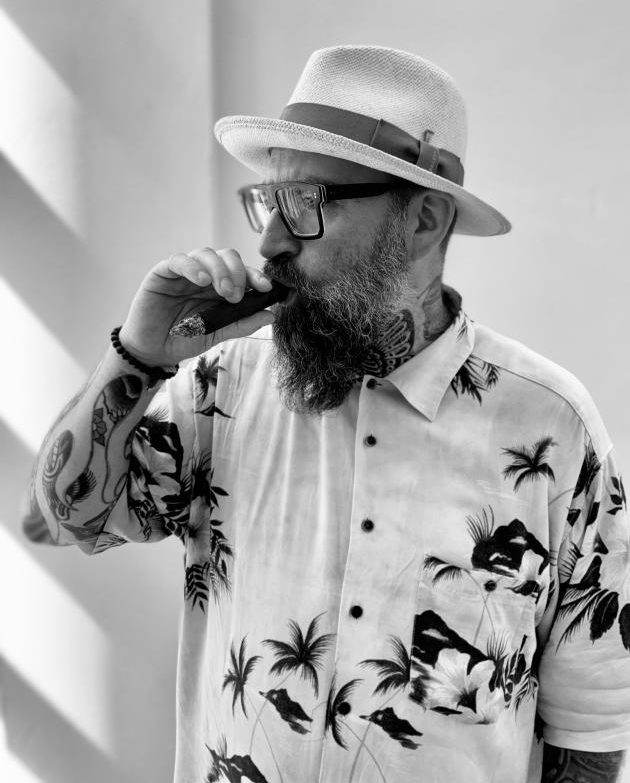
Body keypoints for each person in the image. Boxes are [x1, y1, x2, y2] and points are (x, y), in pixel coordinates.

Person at [25, 45, 630, 783]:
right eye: (268, 202)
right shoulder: (225, 386)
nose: (271, 240)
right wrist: (139, 353)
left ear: (424, 220)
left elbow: (590, 727)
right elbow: (66, 519)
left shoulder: (552, 427)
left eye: (306, 203)